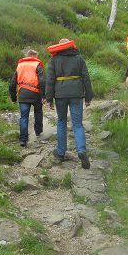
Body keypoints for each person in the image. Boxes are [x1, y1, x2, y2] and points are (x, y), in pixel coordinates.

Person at [45, 38, 93, 169]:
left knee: (61, 121)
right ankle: (81, 151)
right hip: (76, 94)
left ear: (59, 47)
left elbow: (50, 80)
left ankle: (61, 153)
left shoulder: (54, 60)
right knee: (78, 124)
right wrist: (88, 96)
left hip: (60, 95)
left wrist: (49, 98)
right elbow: (86, 78)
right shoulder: (79, 58)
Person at [9, 49, 45, 147]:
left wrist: (13, 98)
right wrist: (44, 95)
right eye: (36, 56)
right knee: (38, 112)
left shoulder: (20, 66)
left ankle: (23, 140)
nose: (37, 58)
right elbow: (42, 81)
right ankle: (38, 132)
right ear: (34, 56)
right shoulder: (37, 65)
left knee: (24, 117)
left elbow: (12, 84)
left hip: (23, 94)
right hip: (35, 93)